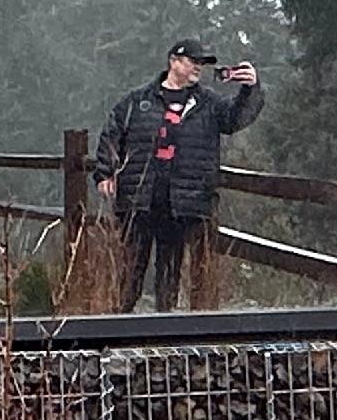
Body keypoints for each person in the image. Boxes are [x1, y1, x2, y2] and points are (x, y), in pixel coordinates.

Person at [95, 39, 261, 310]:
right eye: (192, 61)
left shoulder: (208, 104)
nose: (198, 68)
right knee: (128, 270)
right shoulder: (138, 101)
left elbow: (235, 120)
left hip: (181, 205)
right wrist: (105, 173)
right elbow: (112, 134)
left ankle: (163, 333)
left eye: (202, 64)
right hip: (138, 200)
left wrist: (250, 90)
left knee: (169, 274)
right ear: (174, 61)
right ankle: (117, 327)